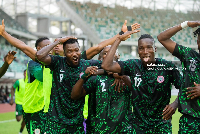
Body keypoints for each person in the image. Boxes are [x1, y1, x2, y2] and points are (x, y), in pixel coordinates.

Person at [101, 31, 182, 133]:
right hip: (139, 127)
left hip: (161, 125)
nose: (145, 51)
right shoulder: (133, 65)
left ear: (155, 49)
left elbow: (184, 87)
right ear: (138, 51)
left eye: (149, 47)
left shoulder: (167, 66)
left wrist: (175, 104)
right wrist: (118, 40)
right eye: (141, 48)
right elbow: (106, 65)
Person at [71, 45, 133, 133]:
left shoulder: (127, 75)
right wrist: (85, 76)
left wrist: (122, 75)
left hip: (123, 130)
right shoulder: (94, 78)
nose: (109, 55)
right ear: (100, 58)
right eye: (105, 53)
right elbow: (75, 95)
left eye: (112, 52)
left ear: (118, 56)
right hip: (97, 130)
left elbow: (139, 94)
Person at [157, 21, 200, 133]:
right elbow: (162, 38)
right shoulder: (190, 56)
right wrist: (185, 24)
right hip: (189, 122)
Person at [10, 69, 26, 134]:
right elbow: (12, 88)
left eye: (27, 73)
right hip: (19, 103)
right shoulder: (18, 82)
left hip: (27, 104)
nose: (26, 74)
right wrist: (11, 99)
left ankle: (20, 132)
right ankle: (20, 114)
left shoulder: (30, 82)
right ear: (23, 74)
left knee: (25, 120)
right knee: (18, 119)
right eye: (25, 73)